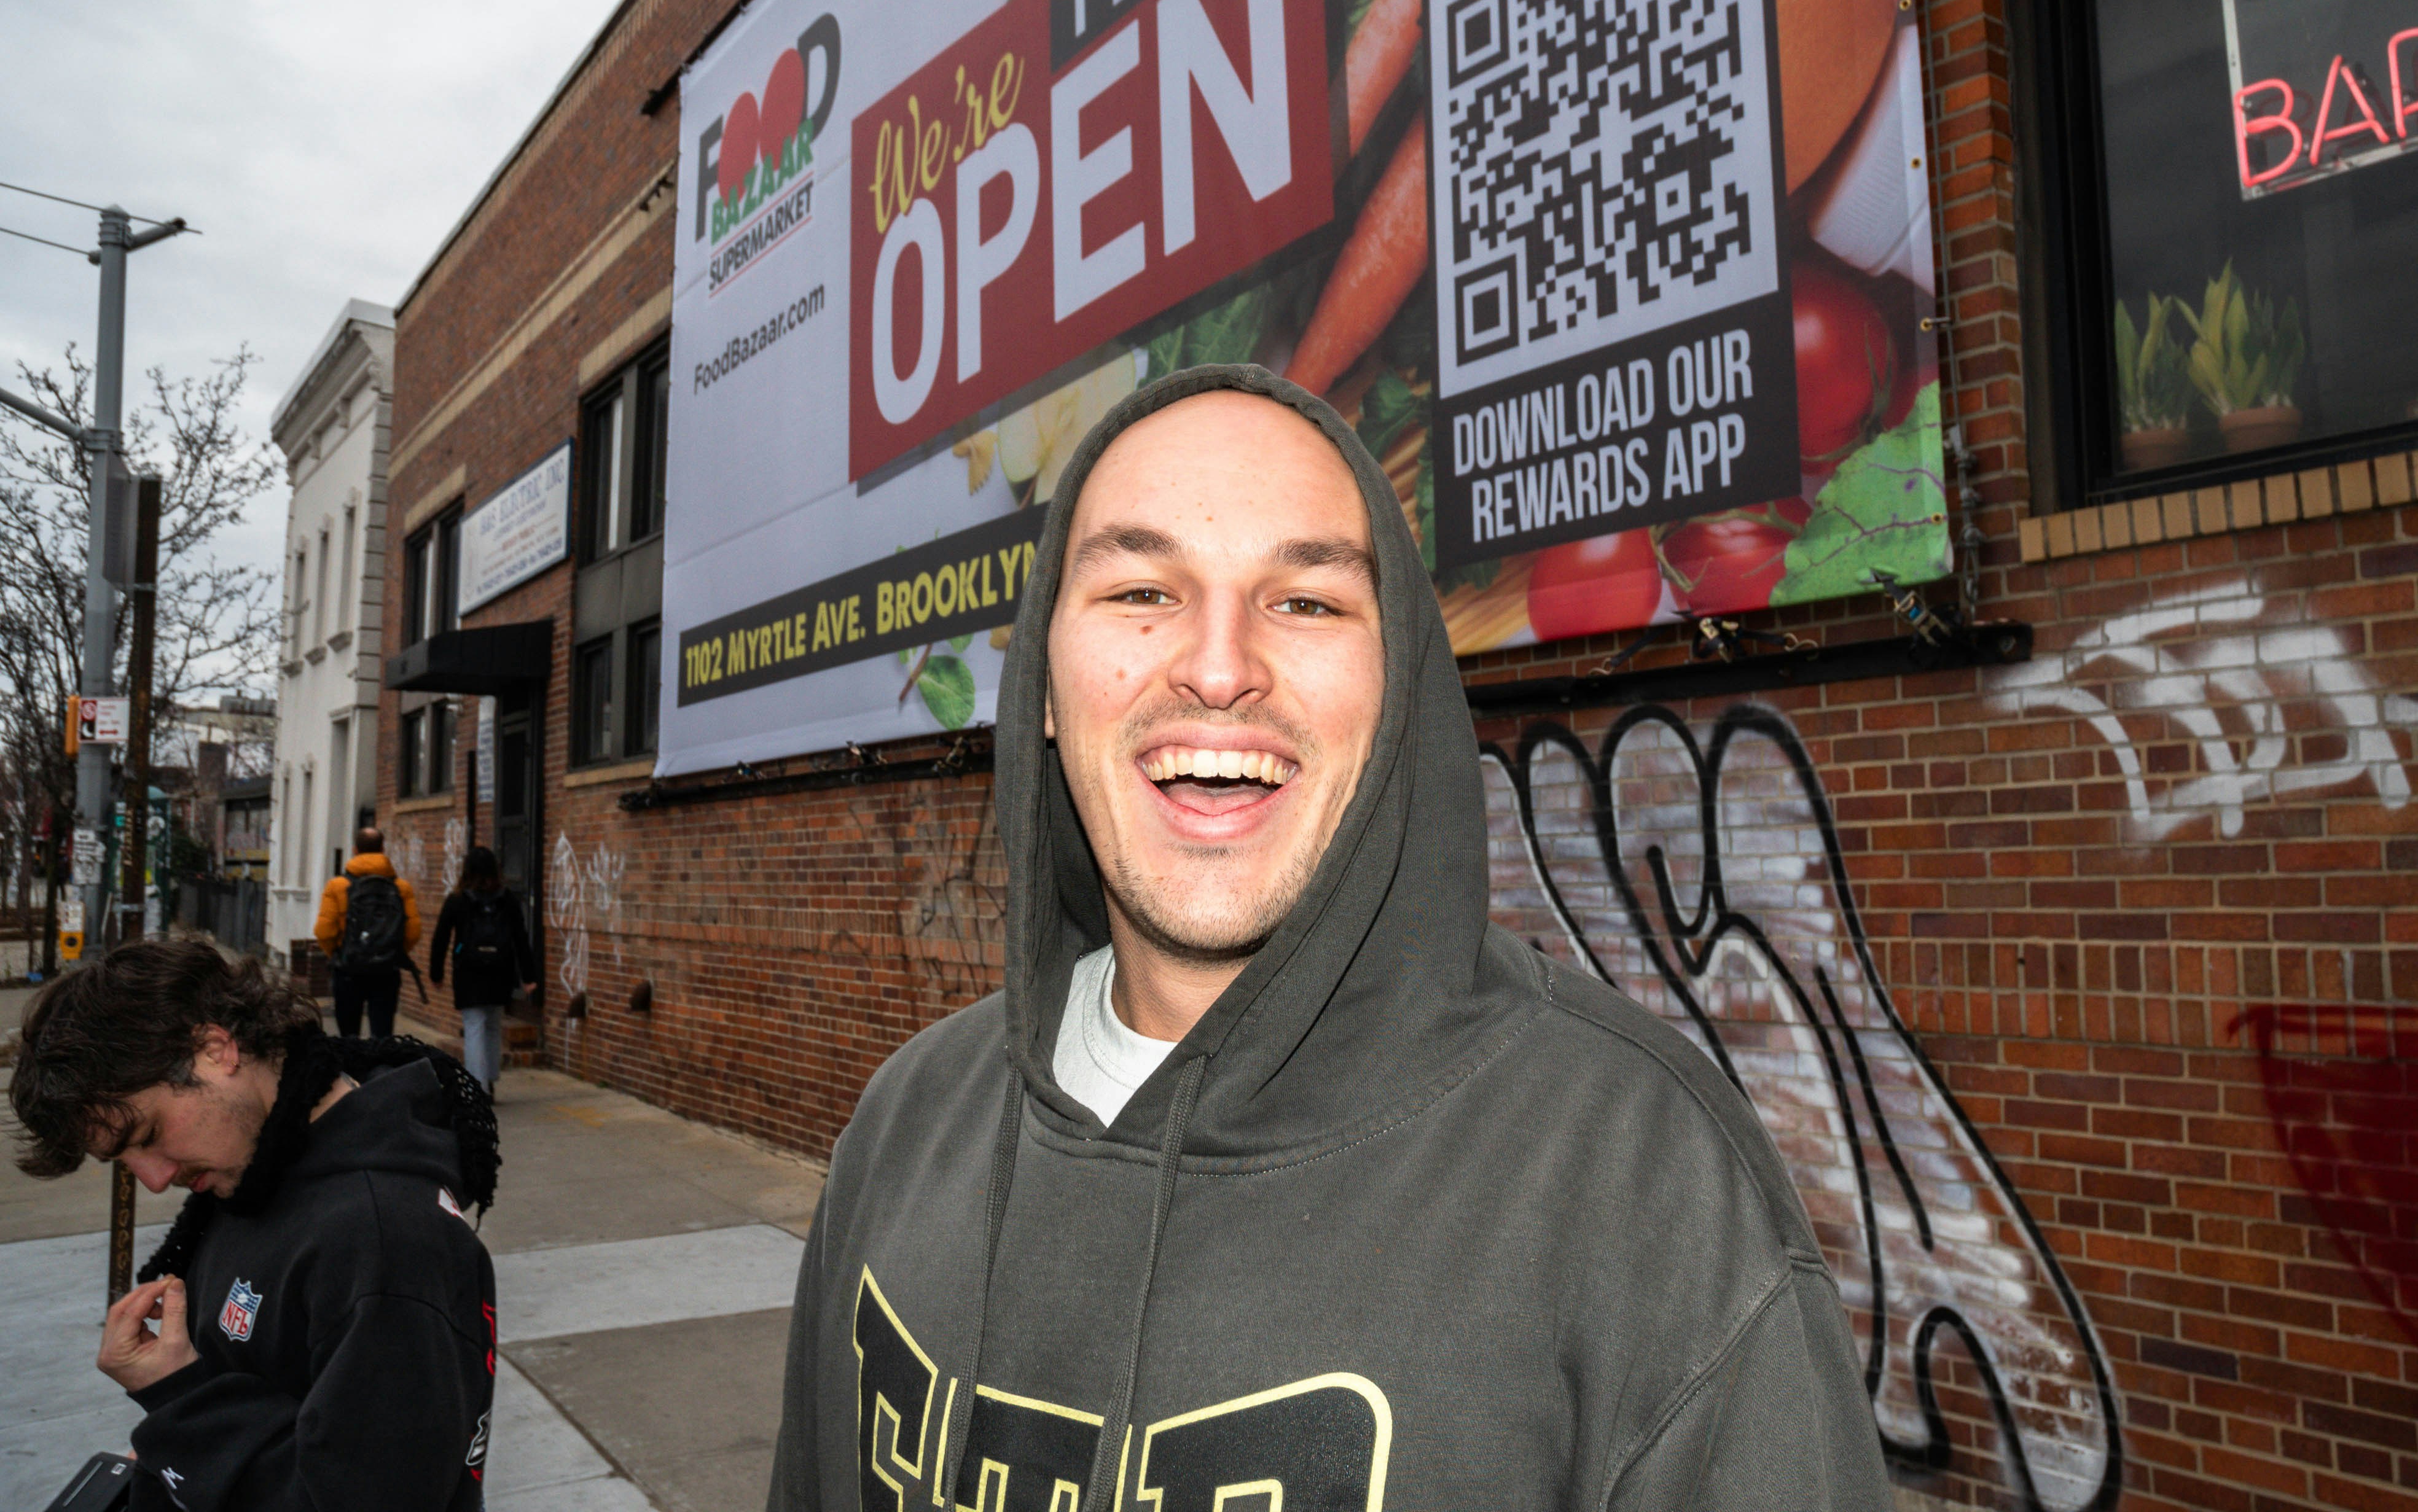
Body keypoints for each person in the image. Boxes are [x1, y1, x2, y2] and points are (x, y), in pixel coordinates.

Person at [765, 365, 1892, 1511]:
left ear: (1398, 687)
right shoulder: (907, 1125)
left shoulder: (1645, 1183)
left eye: (1305, 602)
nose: (1218, 668)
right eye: (1141, 590)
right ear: (1045, 687)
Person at [8, 937, 500, 1511]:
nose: (154, 1179)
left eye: (148, 1135)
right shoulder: (258, 1168)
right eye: (123, 1160)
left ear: (215, 1049)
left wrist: (179, 1400)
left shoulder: (382, 1239)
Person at [428, 845, 536, 1092]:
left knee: (474, 1027)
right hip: (500, 969)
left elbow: (441, 938)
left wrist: (437, 973)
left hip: (469, 971)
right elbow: (521, 938)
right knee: (493, 1023)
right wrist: (528, 976)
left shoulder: (457, 900)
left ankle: (478, 1088)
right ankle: (491, 1076)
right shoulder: (507, 899)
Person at [314, 825, 421, 1039]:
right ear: (383, 849)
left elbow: (324, 931)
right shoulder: (401, 888)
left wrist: (337, 953)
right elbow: (413, 932)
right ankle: (380, 1061)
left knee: (349, 1035)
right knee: (382, 1035)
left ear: (355, 850)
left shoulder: (337, 886)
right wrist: (393, 951)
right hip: (386, 970)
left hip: (348, 969)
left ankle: (352, 1060)